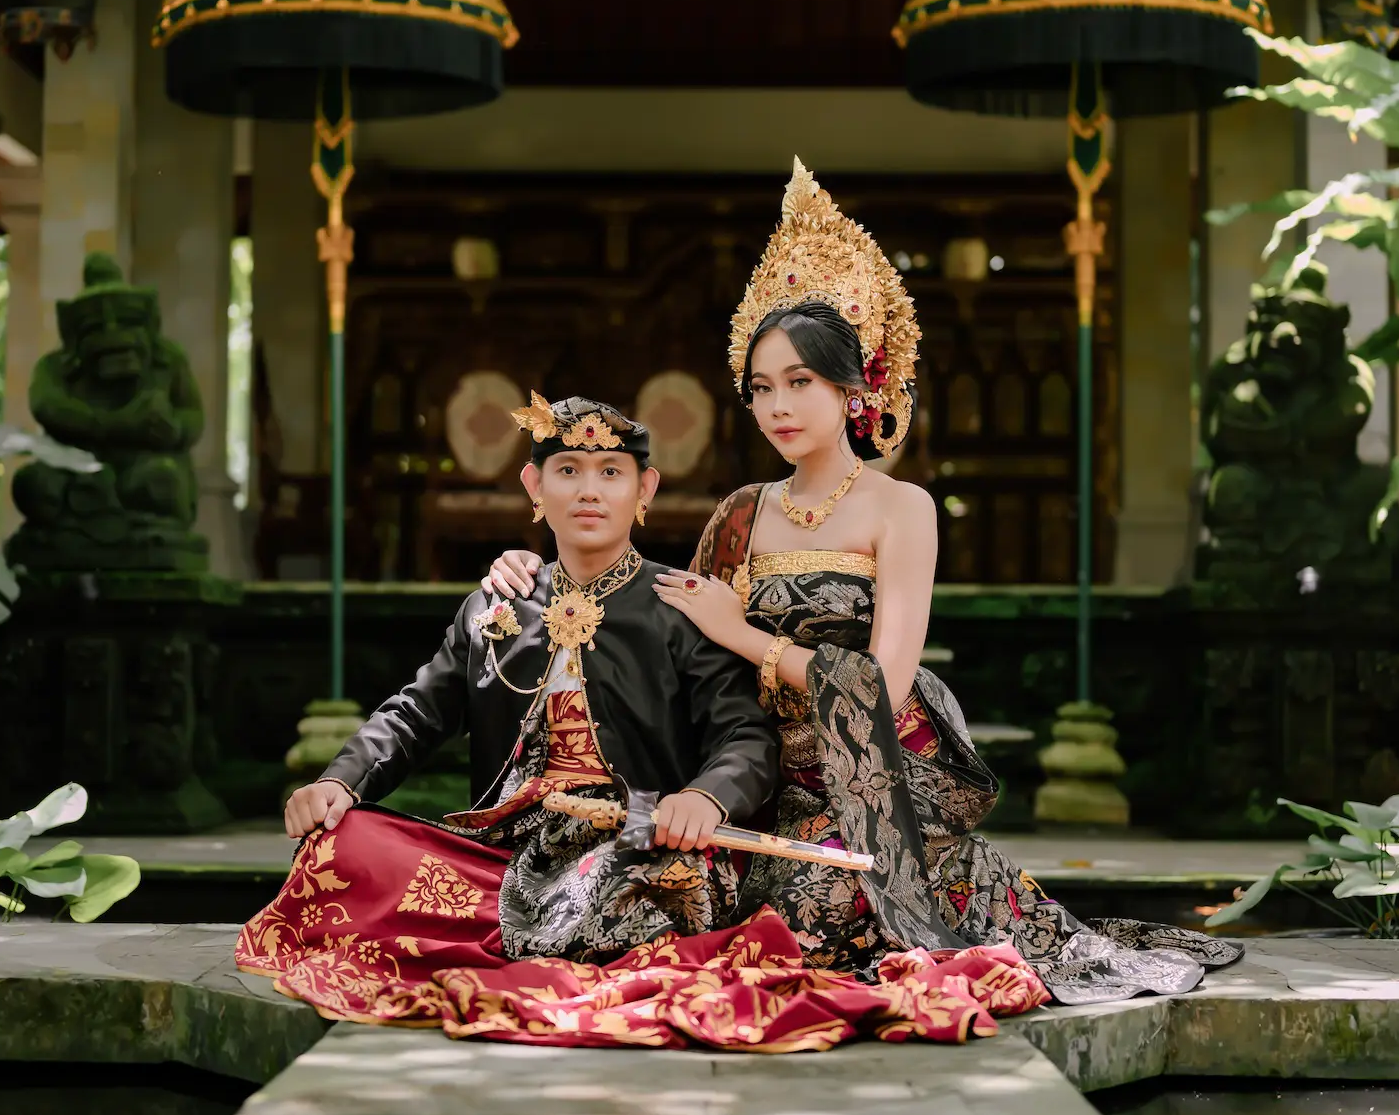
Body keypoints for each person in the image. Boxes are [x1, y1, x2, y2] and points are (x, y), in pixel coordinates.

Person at [486, 160, 1243, 1004]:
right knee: (647, 901)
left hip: (880, 776)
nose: (779, 406)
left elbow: (884, 682)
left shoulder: (901, 507)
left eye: (800, 382)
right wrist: (536, 577)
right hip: (765, 782)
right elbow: (661, 641)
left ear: (853, 386)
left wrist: (746, 636)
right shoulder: (740, 512)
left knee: (812, 916)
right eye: (762, 388)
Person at [239, 395, 781, 1019]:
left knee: (660, 882)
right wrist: (340, 780)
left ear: (644, 489)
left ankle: (500, 937)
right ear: (534, 485)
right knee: (345, 842)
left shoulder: (681, 608)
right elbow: (415, 713)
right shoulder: (497, 604)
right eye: (568, 470)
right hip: (501, 852)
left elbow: (746, 735)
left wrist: (705, 798)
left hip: (634, 839)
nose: (589, 490)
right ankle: (532, 936)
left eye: (611, 471)